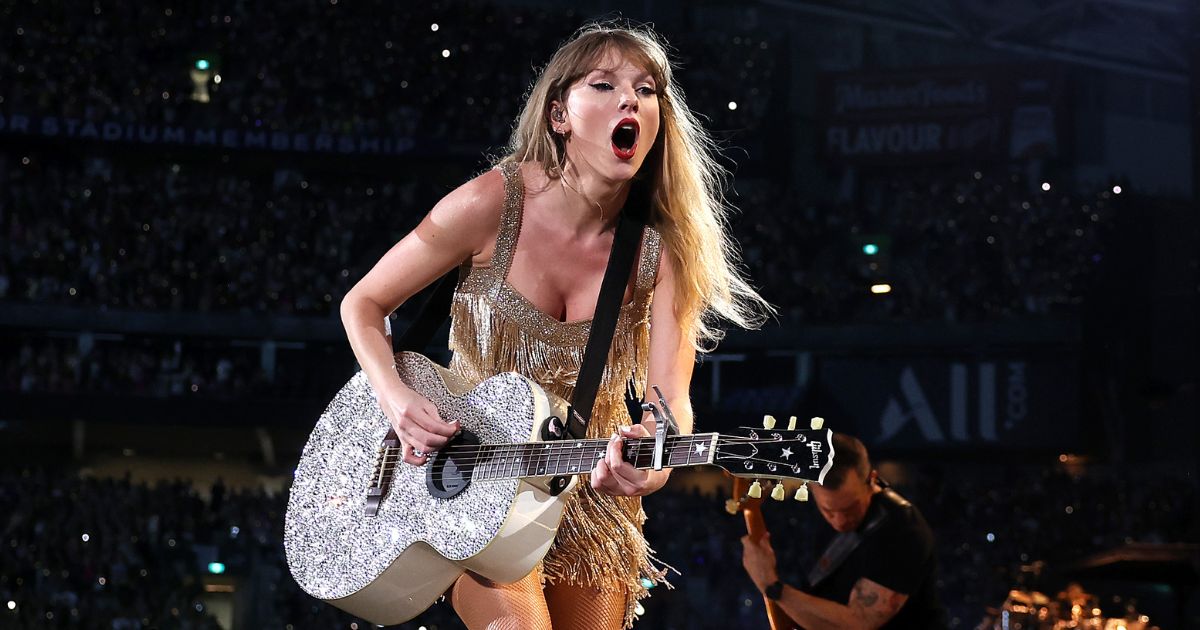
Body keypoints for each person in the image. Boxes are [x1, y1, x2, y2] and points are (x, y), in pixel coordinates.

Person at [340, 21, 770, 630]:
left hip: (591, 493)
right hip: (477, 484)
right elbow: (362, 303)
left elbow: (670, 402)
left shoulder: (661, 256)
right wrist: (396, 399)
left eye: (647, 91)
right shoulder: (493, 201)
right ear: (559, 115)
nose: (631, 100)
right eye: (604, 84)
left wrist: (650, 466)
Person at [741, 433, 947, 629]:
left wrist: (772, 586)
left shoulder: (904, 531)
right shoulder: (815, 520)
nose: (840, 521)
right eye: (828, 510)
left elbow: (857, 624)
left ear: (872, 480)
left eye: (850, 508)